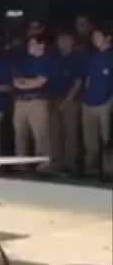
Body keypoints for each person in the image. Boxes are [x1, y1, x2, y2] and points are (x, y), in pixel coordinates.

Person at [11, 34, 53, 168]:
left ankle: (43, 165)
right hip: (20, 102)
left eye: (33, 44)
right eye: (29, 44)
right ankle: (21, 164)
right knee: (20, 133)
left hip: (38, 102)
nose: (29, 46)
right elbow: (16, 81)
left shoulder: (47, 61)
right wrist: (29, 82)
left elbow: (41, 82)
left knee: (40, 133)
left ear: (41, 45)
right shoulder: (23, 60)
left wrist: (25, 82)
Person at [49, 30, 84, 174]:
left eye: (66, 39)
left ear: (72, 41)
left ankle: (70, 165)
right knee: (55, 133)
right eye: (60, 39)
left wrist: (67, 100)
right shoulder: (54, 58)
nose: (62, 42)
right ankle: (57, 164)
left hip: (70, 101)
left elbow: (78, 82)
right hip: (53, 100)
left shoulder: (76, 58)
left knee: (70, 134)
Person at [80, 24, 112, 177]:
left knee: (108, 140)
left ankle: (108, 171)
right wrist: (84, 98)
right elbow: (87, 79)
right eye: (93, 36)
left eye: (98, 36)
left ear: (108, 38)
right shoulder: (91, 57)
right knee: (90, 141)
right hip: (88, 103)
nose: (94, 39)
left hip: (106, 103)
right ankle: (90, 170)